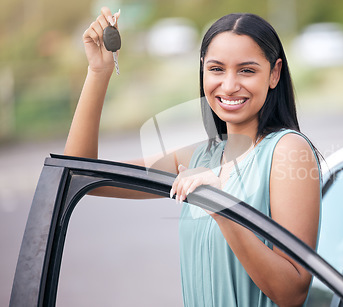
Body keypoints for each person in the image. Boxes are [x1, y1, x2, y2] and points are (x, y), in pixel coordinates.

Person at [64, 7, 321, 307]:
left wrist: (224, 208)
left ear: (274, 73)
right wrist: (98, 71)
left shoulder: (288, 151)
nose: (228, 85)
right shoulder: (201, 156)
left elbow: (292, 293)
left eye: (247, 70)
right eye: (216, 69)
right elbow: (81, 176)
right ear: (202, 70)